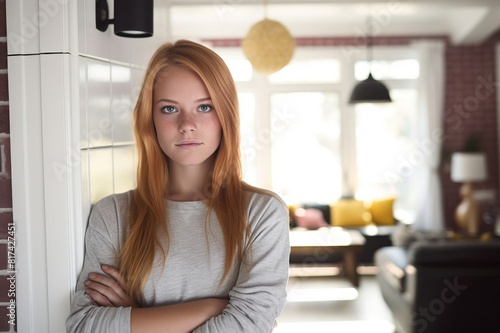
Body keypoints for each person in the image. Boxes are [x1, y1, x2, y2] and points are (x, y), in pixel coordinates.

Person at [66, 39, 290, 333]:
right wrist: (215, 307)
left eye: (205, 107)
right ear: (150, 119)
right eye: (170, 108)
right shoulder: (112, 215)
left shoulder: (262, 213)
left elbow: (247, 324)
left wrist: (137, 314)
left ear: (226, 116)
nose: (187, 124)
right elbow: (84, 326)